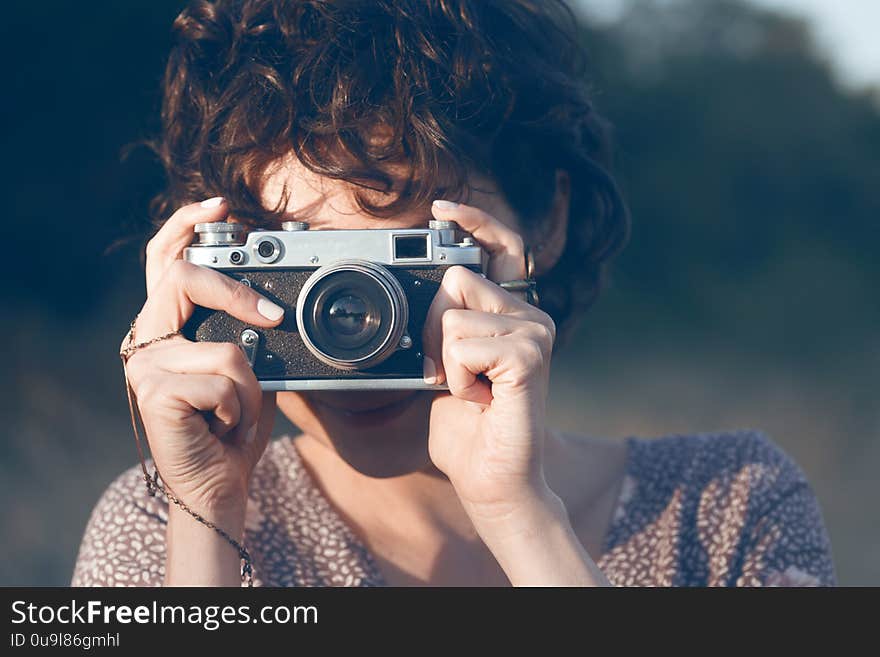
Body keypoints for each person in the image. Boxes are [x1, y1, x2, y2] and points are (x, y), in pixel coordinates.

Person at [71, 0, 835, 587]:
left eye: (406, 260)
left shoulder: (731, 505)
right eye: (297, 265)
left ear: (547, 219)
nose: (354, 325)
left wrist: (522, 518)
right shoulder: (162, 522)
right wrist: (204, 520)